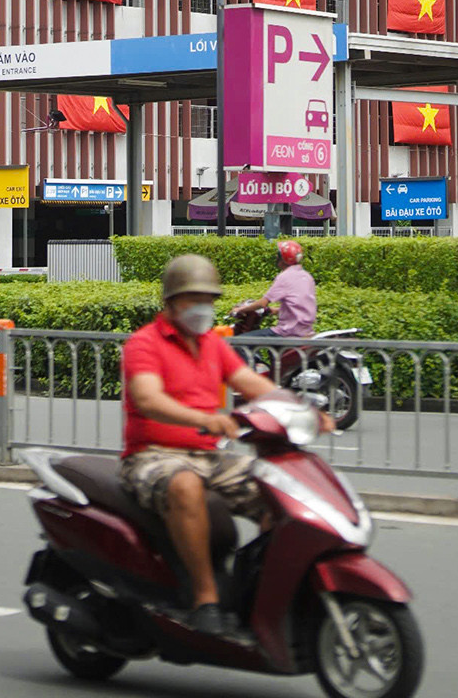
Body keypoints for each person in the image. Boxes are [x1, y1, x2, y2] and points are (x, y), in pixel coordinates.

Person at [120, 254, 330, 638]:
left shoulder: (211, 345)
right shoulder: (144, 344)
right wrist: (204, 419)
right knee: (184, 486)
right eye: (193, 299)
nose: (203, 308)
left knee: (280, 490)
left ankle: (256, 590)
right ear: (170, 302)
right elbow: (148, 399)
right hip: (152, 456)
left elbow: (252, 384)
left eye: (209, 299)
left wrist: (305, 411)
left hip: (209, 456)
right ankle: (205, 598)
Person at [233, 240, 317, 339]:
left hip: (287, 331)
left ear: (283, 259)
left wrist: (239, 309)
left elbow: (262, 303)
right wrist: (275, 310)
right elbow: (299, 303)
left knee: (240, 342)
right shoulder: (306, 276)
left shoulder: (285, 276)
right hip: (305, 331)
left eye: (278, 255)